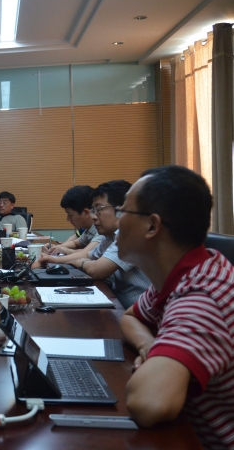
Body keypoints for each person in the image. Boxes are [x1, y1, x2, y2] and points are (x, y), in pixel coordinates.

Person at [118, 166, 234, 448]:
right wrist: (150, 346)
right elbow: (131, 316)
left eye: (123, 210)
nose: (117, 220)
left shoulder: (203, 297)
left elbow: (149, 403)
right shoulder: (186, 272)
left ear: (152, 226)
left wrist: (155, 360)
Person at [44, 180, 151, 309]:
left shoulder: (130, 234)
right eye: (93, 210)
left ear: (122, 209)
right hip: (122, 305)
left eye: (99, 209)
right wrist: (60, 258)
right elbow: (89, 255)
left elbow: (97, 270)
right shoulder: (108, 235)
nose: (93, 216)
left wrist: (80, 262)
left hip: (143, 311)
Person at [33, 186, 103, 268]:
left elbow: (86, 254)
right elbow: (75, 243)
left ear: (86, 213)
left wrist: (56, 257)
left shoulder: (101, 230)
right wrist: (57, 247)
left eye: (70, 215)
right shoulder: (89, 229)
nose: (68, 219)